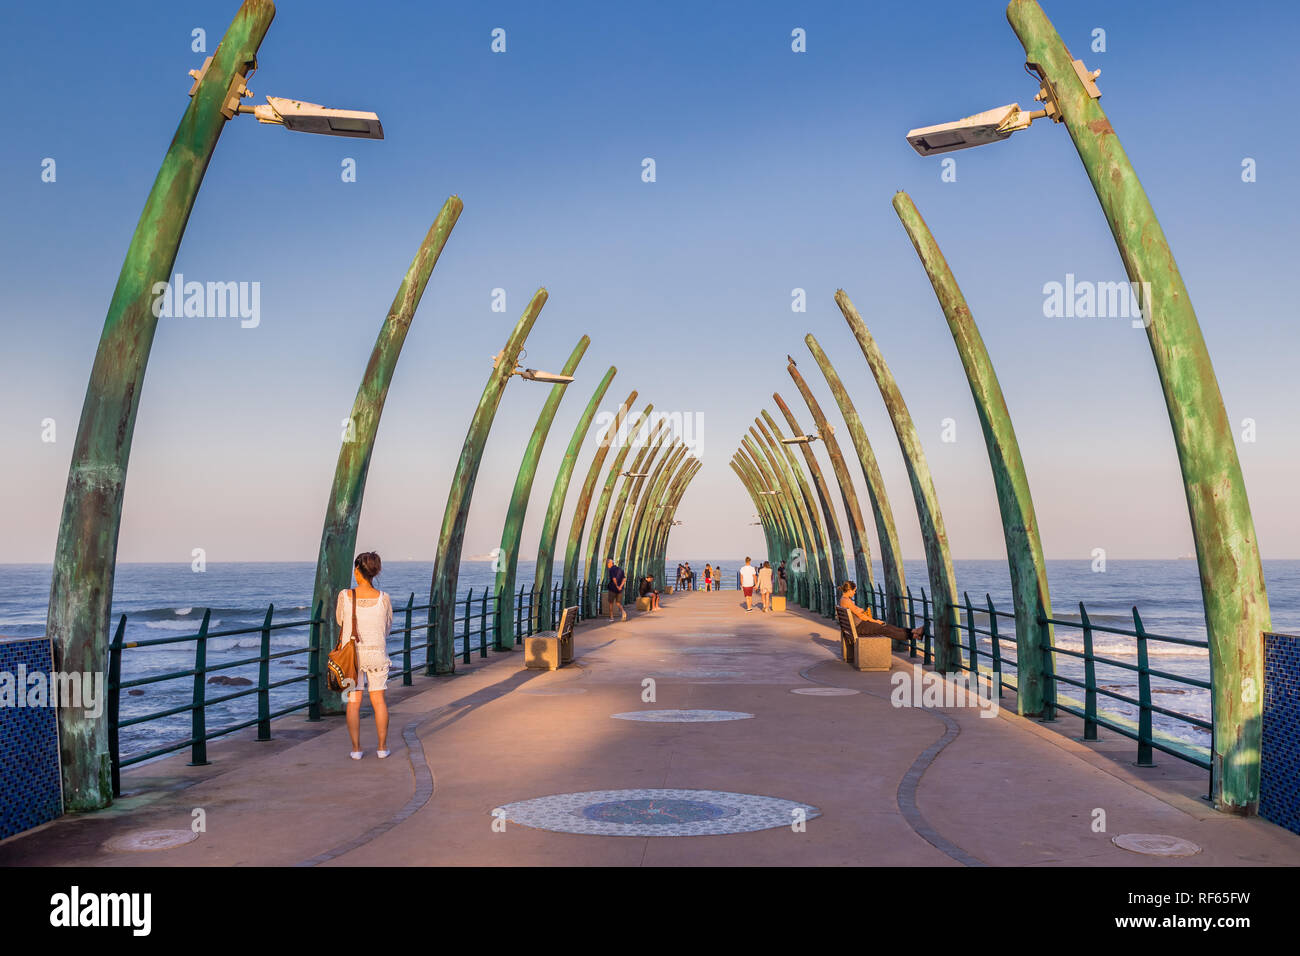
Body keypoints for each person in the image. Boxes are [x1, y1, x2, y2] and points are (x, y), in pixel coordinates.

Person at [337, 551, 393, 760]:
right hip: (377, 654)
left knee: (353, 702)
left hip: (352, 656)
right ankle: (381, 747)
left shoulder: (345, 595)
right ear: (374, 572)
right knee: (379, 701)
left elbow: (340, 622)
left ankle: (356, 749)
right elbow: (387, 627)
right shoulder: (383, 598)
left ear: (357, 571)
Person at [839, 581, 923, 648]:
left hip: (855, 627)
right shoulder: (847, 601)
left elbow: (857, 611)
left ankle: (914, 631)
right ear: (849, 590)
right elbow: (861, 616)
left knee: (887, 626)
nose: (854, 593)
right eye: (854, 591)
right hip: (859, 628)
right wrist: (876, 621)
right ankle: (914, 635)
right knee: (886, 630)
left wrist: (859, 610)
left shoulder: (843, 600)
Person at [605, 557, 627, 621]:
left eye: (607, 564)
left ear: (610, 564)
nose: (607, 565)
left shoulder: (611, 570)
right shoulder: (620, 569)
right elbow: (624, 579)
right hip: (620, 589)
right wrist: (620, 586)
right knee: (618, 603)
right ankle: (623, 612)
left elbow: (614, 579)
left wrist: (617, 586)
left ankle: (611, 618)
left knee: (611, 603)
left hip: (613, 588)